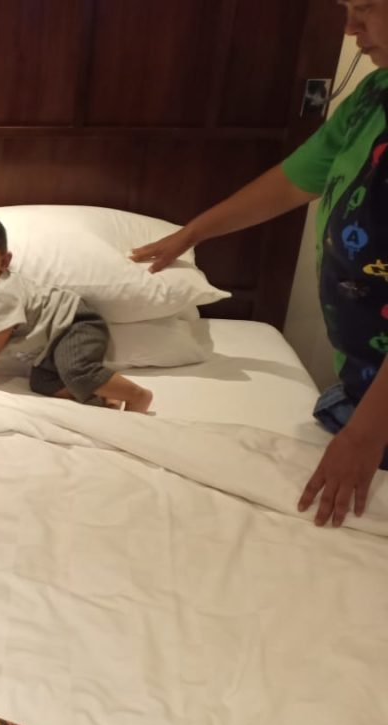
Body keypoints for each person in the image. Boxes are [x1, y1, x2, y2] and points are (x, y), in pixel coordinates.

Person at [130, 0, 388, 528]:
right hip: (364, 387)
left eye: (366, 7)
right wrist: (193, 232)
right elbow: (295, 180)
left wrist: (365, 435)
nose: (349, 27)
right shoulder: (374, 95)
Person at [0, 211, 153, 413]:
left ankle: (138, 395)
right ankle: (104, 394)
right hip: (50, 345)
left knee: (76, 371)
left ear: (4, 261)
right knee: (42, 383)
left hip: (75, 323)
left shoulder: (4, 293)